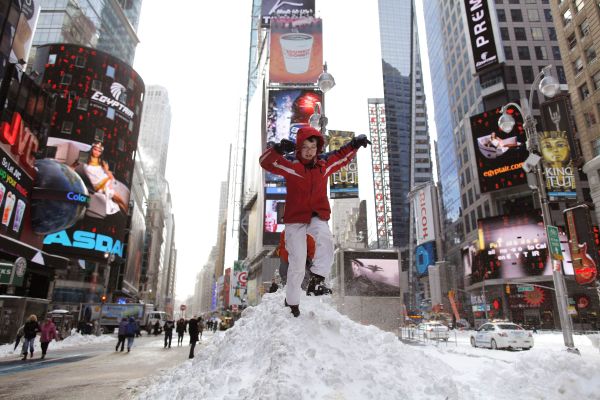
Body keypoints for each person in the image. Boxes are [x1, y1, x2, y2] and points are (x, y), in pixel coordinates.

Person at [260, 127, 370, 317]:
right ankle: (292, 303)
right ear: (299, 148)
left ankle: (317, 280)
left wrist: (355, 144)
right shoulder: (290, 164)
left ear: (318, 148)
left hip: (317, 216)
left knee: (326, 240)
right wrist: (278, 149)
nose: (310, 150)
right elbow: (266, 163)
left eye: (313, 146)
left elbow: (341, 156)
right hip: (295, 219)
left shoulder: (323, 164)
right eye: (305, 147)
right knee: (297, 263)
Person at [82, 141, 128, 214]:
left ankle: (126, 212)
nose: (97, 152)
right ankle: (125, 211)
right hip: (99, 187)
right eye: (95, 149)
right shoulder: (84, 158)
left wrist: (112, 181)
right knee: (118, 200)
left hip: (107, 183)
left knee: (120, 200)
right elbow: (74, 165)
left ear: (101, 153)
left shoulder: (101, 161)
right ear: (92, 149)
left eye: (99, 151)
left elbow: (108, 173)